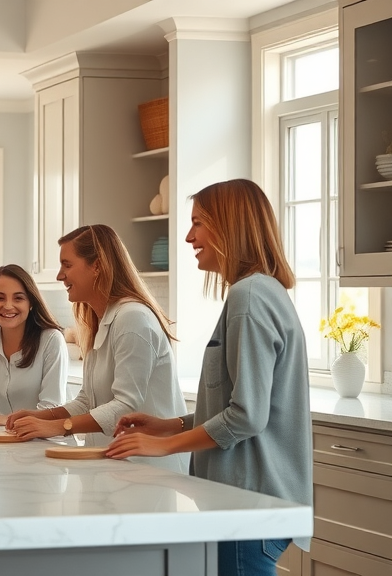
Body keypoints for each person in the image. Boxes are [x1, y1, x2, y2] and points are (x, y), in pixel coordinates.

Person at [107, 179, 311, 575]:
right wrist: (169, 425)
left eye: (198, 223)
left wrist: (162, 446)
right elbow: (235, 404)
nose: (189, 237)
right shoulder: (261, 292)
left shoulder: (249, 297)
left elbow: (247, 416)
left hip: (246, 504)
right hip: (254, 504)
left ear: (229, 226)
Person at [4, 225, 188, 473]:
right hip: (115, 465)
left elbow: (125, 405)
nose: (60, 275)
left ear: (97, 266)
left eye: (67, 265)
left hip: (150, 469)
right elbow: (87, 401)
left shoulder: (133, 318)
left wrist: (59, 427)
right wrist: (40, 416)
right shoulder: (102, 321)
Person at [0, 264, 69, 426]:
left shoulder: (51, 340)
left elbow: (52, 406)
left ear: (31, 303)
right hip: (6, 438)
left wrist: (9, 420)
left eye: (18, 298)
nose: (8, 306)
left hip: (47, 439)